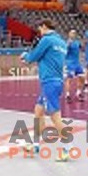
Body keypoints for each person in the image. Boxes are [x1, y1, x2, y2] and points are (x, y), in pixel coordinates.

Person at [20, 19, 70, 162]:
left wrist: (25, 56)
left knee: (55, 116)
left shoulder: (47, 40)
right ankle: (35, 144)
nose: (39, 32)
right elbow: (48, 58)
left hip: (49, 82)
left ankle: (68, 148)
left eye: (40, 29)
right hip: (56, 81)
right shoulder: (61, 42)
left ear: (44, 27)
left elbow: (33, 57)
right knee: (38, 112)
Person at [64, 29, 85, 103]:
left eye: (75, 33)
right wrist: (67, 45)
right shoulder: (68, 42)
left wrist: (83, 44)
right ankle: (67, 95)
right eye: (72, 33)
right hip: (70, 63)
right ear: (69, 34)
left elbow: (82, 49)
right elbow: (64, 50)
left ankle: (78, 93)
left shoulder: (77, 42)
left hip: (77, 63)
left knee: (82, 77)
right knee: (69, 79)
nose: (73, 34)